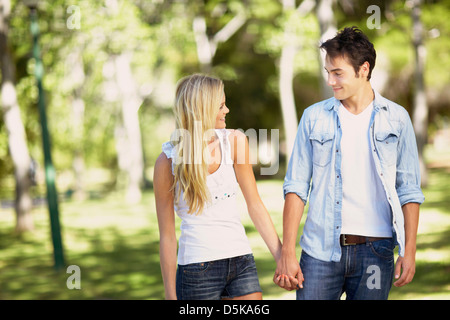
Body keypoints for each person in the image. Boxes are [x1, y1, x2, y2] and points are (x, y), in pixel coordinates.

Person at [274, 26, 425, 300]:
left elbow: (409, 190)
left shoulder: (397, 119)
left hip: (375, 252)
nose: (331, 81)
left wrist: (409, 250)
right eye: (327, 72)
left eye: (338, 73)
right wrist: (287, 252)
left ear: (363, 69)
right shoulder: (313, 118)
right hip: (319, 252)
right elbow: (296, 187)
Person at [154, 74, 282, 300]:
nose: (227, 110)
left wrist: (282, 257)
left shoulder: (235, 141)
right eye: (221, 105)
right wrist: (170, 294)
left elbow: (255, 205)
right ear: (202, 110)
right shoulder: (167, 162)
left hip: (240, 259)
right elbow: (167, 236)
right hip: (196, 268)